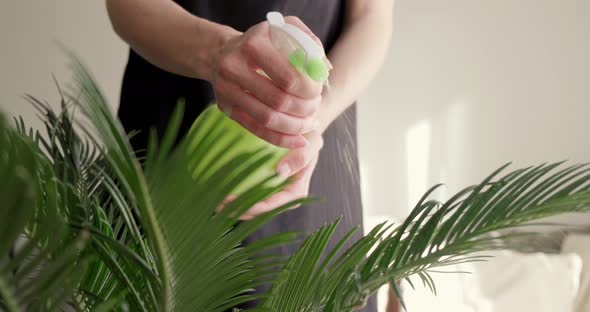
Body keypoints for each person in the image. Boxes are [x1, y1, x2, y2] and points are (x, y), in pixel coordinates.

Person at [106, 0, 393, 310]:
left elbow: (371, 16)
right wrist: (218, 50)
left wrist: (310, 117)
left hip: (307, 168)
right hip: (164, 145)